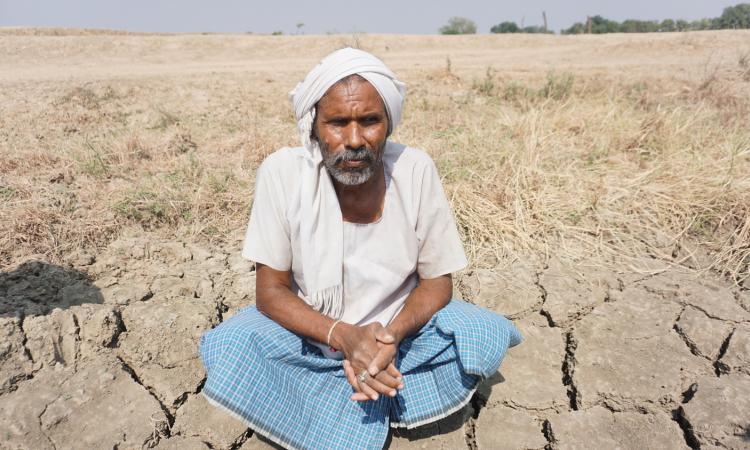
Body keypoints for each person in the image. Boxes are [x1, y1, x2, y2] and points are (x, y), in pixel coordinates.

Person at [200, 47, 522, 450]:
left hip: (399, 335)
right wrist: (343, 336)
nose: (354, 140)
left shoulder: (415, 169)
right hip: (312, 331)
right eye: (337, 123)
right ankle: (361, 393)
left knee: (479, 330)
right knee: (232, 344)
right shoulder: (281, 174)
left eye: (369, 121)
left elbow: (437, 283)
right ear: (314, 126)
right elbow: (270, 292)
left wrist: (386, 339)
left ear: (388, 123)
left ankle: (365, 382)